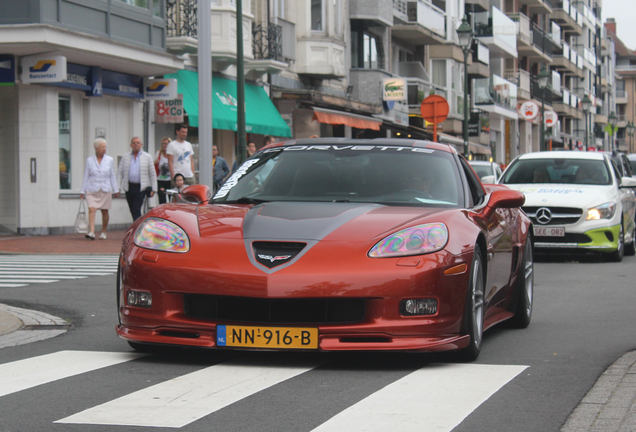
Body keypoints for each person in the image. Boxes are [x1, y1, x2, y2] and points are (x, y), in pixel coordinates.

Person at [79, 138, 119, 240]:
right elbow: (86, 176)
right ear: (96, 148)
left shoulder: (109, 160)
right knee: (91, 209)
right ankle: (92, 231)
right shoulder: (89, 160)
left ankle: (103, 231)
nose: (104, 149)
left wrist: (116, 190)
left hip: (105, 189)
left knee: (104, 211)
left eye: (105, 146)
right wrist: (82, 191)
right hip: (92, 188)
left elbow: (112, 176)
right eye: (102, 147)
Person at [117, 136, 157, 221]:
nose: (136, 145)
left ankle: (138, 225)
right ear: (131, 145)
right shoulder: (125, 157)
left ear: (141, 144)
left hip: (141, 187)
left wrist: (154, 188)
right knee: (132, 208)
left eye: (138, 143)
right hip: (129, 187)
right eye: (134, 143)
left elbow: (152, 174)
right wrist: (118, 188)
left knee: (136, 208)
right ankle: (138, 223)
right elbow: (120, 173)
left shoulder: (147, 157)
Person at [155, 136, 172, 204]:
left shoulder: (172, 154)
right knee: (162, 199)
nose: (165, 145)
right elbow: (154, 163)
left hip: (170, 180)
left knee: (171, 199)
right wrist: (156, 162)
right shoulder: (159, 153)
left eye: (166, 143)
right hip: (161, 179)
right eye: (163, 143)